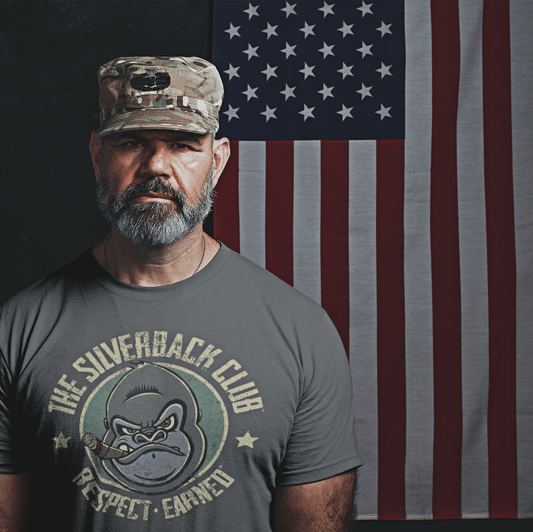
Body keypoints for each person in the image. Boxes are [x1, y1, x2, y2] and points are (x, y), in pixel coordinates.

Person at [0, 56, 361, 531]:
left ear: (218, 159)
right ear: (97, 155)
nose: (156, 166)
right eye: (131, 142)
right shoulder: (19, 330)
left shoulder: (302, 333)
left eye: (183, 145)